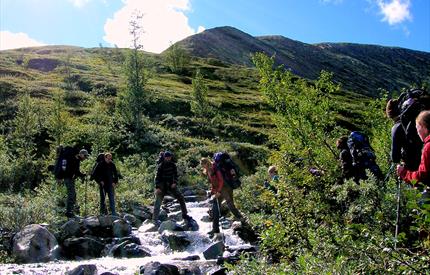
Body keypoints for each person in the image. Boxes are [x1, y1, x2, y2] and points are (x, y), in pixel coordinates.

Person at [200, 157, 249, 238]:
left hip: (226, 187)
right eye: (202, 166)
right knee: (215, 207)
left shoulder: (215, 167)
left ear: (206, 163)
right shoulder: (208, 170)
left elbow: (221, 180)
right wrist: (212, 192)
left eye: (203, 165)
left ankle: (241, 219)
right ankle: (215, 229)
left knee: (230, 204)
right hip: (219, 190)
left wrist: (218, 191)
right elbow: (213, 183)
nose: (203, 167)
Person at [153, 151, 192, 226]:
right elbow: (157, 177)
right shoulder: (161, 166)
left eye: (169, 157)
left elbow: (175, 175)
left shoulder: (173, 165)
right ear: (164, 157)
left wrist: (175, 183)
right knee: (157, 203)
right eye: (167, 157)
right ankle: (154, 220)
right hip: (162, 186)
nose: (168, 158)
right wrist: (157, 187)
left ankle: (185, 214)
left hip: (171, 186)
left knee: (181, 198)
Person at [397, 110, 430, 190]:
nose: (417, 132)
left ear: (424, 127)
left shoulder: (428, 147)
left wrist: (404, 173)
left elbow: (421, 177)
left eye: (417, 128)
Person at [386, 99, 422, 170]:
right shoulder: (415, 119)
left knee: (414, 180)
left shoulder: (396, 128)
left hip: (411, 165)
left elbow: (395, 157)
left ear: (390, 114)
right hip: (424, 157)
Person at [62, 148, 89, 218]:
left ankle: (70, 211)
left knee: (73, 195)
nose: (85, 158)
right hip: (68, 178)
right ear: (81, 154)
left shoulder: (77, 160)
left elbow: (77, 171)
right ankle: (68, 212)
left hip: (71, 179)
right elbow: (70, 170)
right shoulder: (73, 159)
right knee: (71, 194)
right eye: (85, 156)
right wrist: (73, 174)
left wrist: (83, 175)